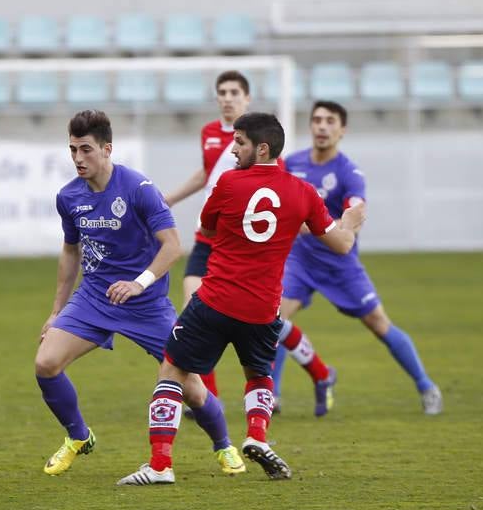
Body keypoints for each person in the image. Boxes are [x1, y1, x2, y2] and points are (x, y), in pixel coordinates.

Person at [117, 112, 365, 485]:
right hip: (264, 309)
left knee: (172, 370)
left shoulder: (229, 184)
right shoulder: (303, 193)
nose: (233, 149)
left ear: (261, 148)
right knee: (259, 375)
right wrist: (350, 220)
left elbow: (209, 228)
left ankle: (160, 464)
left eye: (240, 143)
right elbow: (343, 244)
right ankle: (257, 437)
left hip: (216, 299)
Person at [36, 109, 246, 478]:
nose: (78, 159)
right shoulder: (68, 197)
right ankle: (78, 437)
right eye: (72, 150)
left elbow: (173, 246)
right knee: (45, 364)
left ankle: (223, 446)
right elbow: (71, 251)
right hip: (94, 299)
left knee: (193, 390)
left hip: (146, 304)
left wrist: (139, 283)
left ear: (107, 149)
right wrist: (56, 310)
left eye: (86, 149)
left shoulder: (139, 189)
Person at [270, 101, 443, 416]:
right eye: (317, 120)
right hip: (300, 260)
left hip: (340, 263)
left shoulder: (349, 173)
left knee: (379, 324)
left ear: (342, 130)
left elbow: (356, 214)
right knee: (273, 320)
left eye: (330, 121)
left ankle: (426, 386)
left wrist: (316, 227)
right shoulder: (291, 164)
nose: (322, 126)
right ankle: (273, 394)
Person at [164, 70, 258, 401]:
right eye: (223, 92)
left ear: (247, 98)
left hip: (241, 243)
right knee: (193, 307)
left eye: (235, 92)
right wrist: (171, 198)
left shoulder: (258, 134)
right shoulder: (209, 133)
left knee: (258, 319)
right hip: (208, 237)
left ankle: (314, 371)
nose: (228, 98)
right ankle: (208, 398)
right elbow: (208, 172)